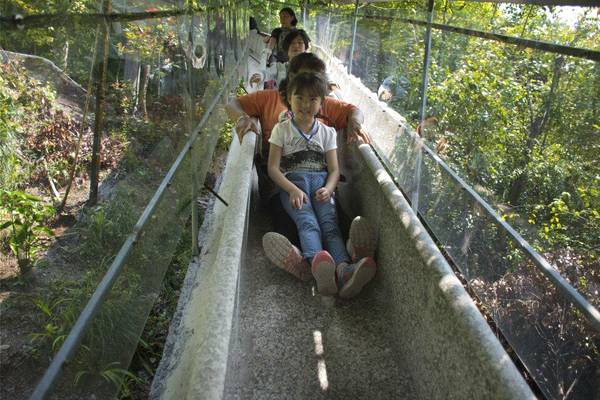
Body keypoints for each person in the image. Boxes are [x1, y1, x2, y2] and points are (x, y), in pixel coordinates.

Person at [225, 53, 375, 282]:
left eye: (317, 78)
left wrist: (355, 122)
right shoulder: (271, 101)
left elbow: (353, 110)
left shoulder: (320, 104)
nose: (307, 101)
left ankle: (348, 261)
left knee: (331, 217)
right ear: (292, 79)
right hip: (283, 182)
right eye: (305, 77)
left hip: (320, 179)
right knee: (296, 220)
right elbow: (232, 104)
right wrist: (242, 118)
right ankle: (307, 264)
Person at [267, 72, 376, 298]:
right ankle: (318, 265)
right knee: (308, 223)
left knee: (330, 226)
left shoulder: (326, 132)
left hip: (320, 185)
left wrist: (328, 188)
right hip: (294, 185)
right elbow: (273, 168)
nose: (306, 105)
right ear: (289, 98)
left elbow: (334, 170)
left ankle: (343, 270)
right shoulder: (282, 130)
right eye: (299, 98)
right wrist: (291, 189)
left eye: (313, 99)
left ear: (321, 103)